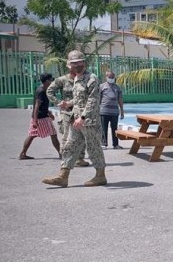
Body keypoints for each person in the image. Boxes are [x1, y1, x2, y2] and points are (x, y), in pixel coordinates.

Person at [42, 50, 107, 188]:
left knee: (93, 148)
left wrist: (83, 117)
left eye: (79, 62)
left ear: (84, 63)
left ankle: (100, 176)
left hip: (89, 121)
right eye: (74, 63)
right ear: (69, 65)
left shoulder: (91, 78)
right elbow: (80, 98)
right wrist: (69, 103)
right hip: (76, 119)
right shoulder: (77, 78)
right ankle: (63, 177)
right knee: (69, 146)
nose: (77, 65)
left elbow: (93, 100)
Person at [47, 58, 91, 168]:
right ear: (69, 67)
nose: (75, 67)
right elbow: (50, 91)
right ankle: (65, 160)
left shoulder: (85, 79)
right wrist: (58, 102)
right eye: (73, 65)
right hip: (67, 112)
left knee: (81, 135)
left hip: (80, 112)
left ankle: (80, 158)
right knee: (67, 136)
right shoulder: (62, 80)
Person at [19, 73, 61, 160]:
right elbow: (37, 106)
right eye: (51, 80)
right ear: (47, 81)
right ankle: (61, 154)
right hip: (41, 118)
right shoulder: (41, 91)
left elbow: (42, 105)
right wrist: (35, 120)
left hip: (41, 116)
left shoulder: (43, 89)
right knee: (53, 134)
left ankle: (23, 153)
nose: (52, 82)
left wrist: (49, 113)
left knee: (32, 135)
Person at [99, 70, 125, 149]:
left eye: (112, 77)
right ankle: (104, 144)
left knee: (115, 128)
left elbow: (120, 99)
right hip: (104, 111)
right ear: (106, 77)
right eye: (109, 77)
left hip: (114, 112)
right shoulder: (102, 86)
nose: (111, 78)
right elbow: (98, 99)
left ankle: (115, 144)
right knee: (103, 128)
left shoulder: (117, 87)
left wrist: (122, 111)